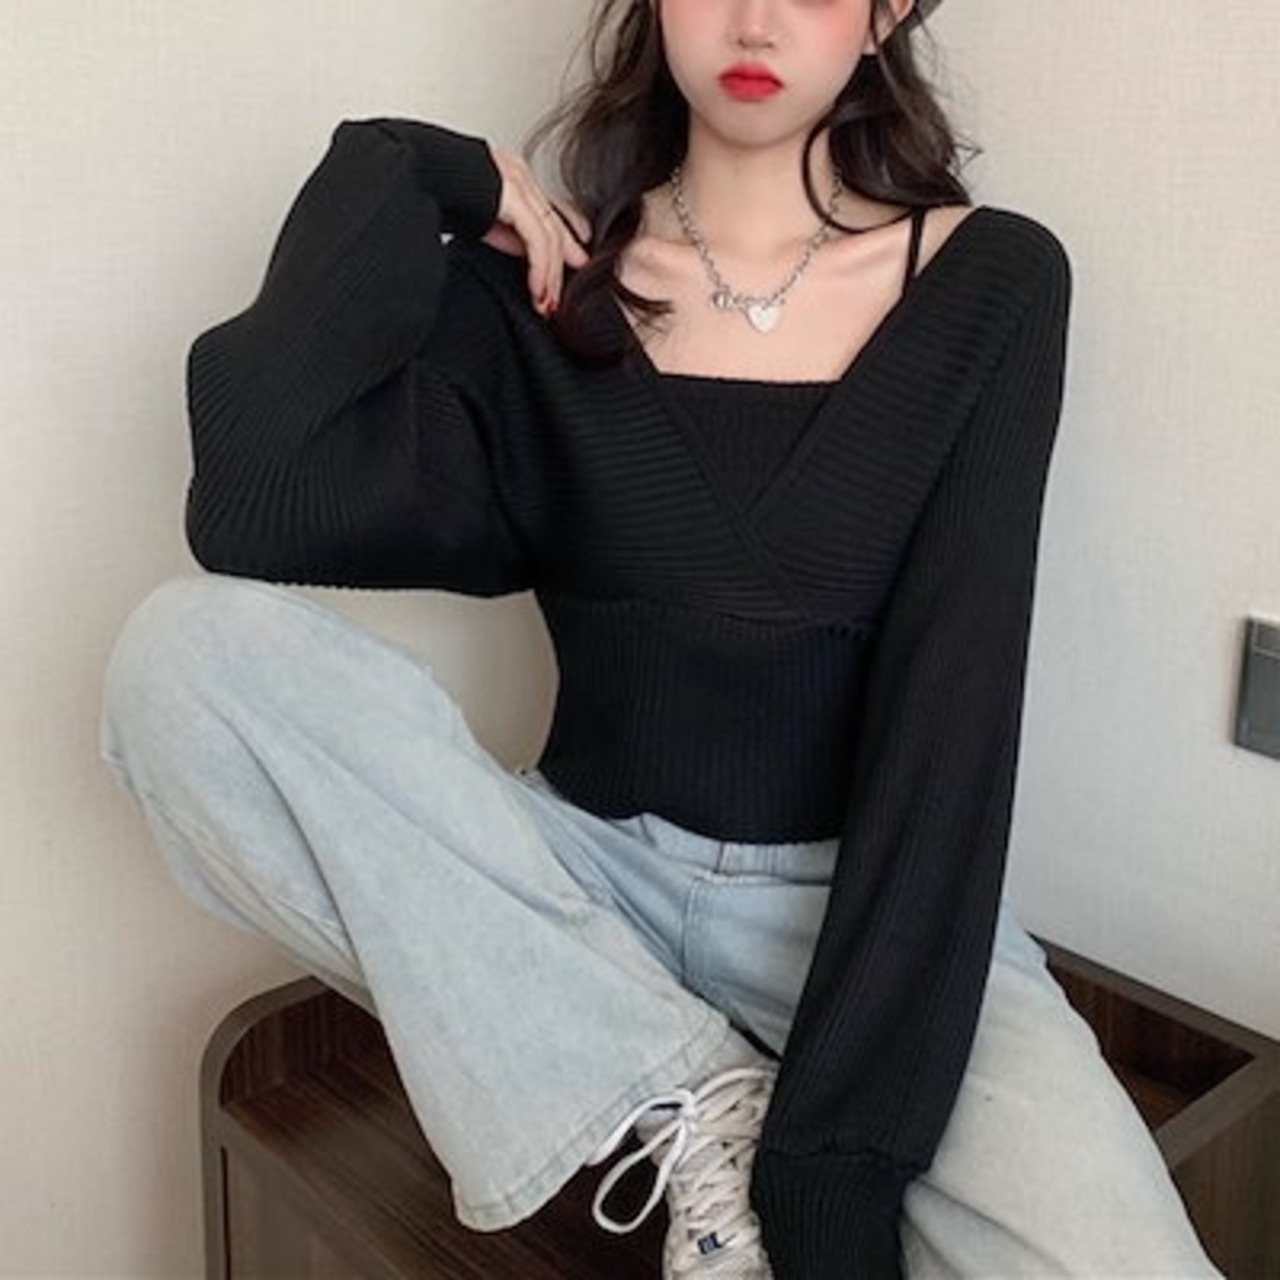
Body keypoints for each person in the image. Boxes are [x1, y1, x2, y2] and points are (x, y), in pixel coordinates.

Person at [101, 1, 1224, 1277]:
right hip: (570, 890)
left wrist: (829, 1173)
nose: (752, 19)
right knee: (179, 655)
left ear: (888, 9)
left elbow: (951, 717)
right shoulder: (544, 292)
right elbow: (251, 502)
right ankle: (681, 1082)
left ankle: (656, 1079)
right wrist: (408, 169)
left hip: (860, 911)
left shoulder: (992, 282)